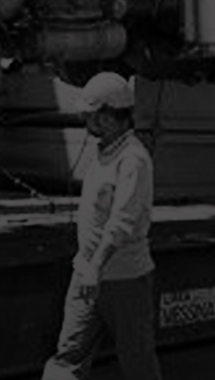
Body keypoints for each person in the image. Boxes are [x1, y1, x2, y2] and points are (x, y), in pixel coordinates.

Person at [42, 71, 162, 380]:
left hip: (123, 278)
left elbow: (122, 222)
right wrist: (88, 267)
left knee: (137, 358)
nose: (86, 122)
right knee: (68, 354)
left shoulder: (132, 160)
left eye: (91, 115)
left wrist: (96, 266)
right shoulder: (105, 152)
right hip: (87, 273)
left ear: (109, 115)